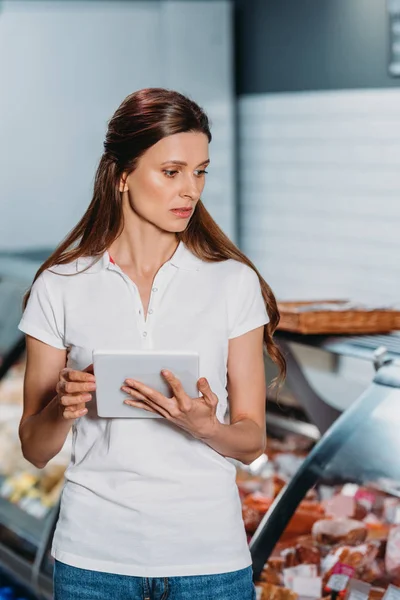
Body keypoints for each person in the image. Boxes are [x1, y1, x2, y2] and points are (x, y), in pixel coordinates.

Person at [18, 88, 285, 600]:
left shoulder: (232, 282)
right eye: (172, 171)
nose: (191, 190)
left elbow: (252, 442)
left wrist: (206, 427)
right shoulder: (61, 284)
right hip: (92, 560)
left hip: (210, 560)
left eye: (200, 171)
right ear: (122, 175)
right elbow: (34, 449)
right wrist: (63, 407)